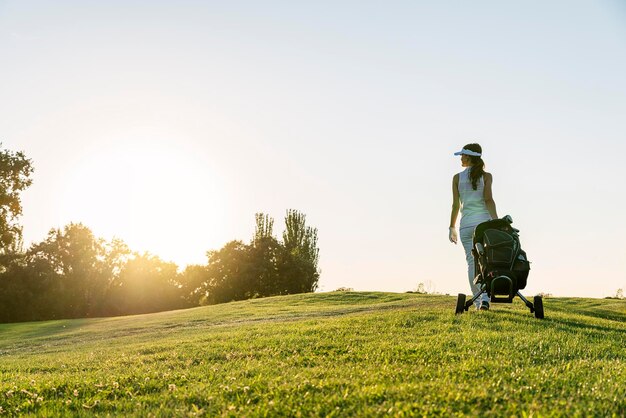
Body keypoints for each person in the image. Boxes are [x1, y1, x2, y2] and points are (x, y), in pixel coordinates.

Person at [448, 143, 498, 310]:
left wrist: (451, 227)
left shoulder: (457, 178)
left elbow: (455, 206)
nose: (460, 158)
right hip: (483, 224)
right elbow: (488, 200)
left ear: (468, 157)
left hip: (466, 226)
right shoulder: (487, 176)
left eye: (462, 155)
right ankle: (485, 299)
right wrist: (496, 222)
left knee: (472, 263)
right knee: (486, 261)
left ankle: (478, 303)